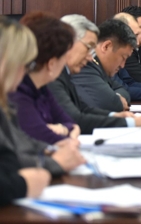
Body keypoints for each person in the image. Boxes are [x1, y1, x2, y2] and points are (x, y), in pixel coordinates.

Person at [0, 17, 84, 205]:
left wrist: (49, 149)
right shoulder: (15, 95)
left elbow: (17, 145)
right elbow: (11, 162)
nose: (24, 72)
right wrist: (55, 162)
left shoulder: (6, 99)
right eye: (23, 64)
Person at [48, 14, 141, 134]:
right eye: (88, 47)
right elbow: (75, 118)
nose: (90, 57)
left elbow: (82, 108)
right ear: (68, 43)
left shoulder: (64, 72)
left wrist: (115, 116)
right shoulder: (51, 75)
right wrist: (132, 123)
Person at [9, 13, 80, 144]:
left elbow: (72, 123)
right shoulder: (17, 91)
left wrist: (64, 128)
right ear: (51, 63)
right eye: (64, 56)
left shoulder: (41, 88)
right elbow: (42, 138)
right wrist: (64, 132)